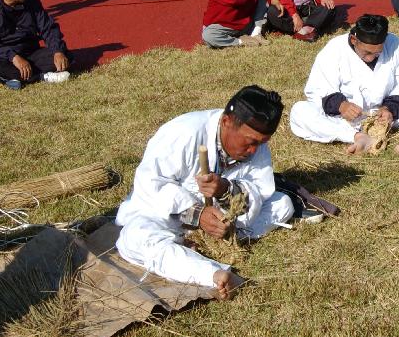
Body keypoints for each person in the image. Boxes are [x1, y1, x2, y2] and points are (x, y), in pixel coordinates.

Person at [115, 85, 294, 299]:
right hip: (168, 219)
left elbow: (258, 191)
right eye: (251, 142)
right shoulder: (182, 133)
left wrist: (225, 190)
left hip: (220, 218)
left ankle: (211, 242)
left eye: (262, 143)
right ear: (227, 122)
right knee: (135, 237)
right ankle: (213, 273)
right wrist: (198, 214)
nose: (255, 151)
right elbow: (151, 185)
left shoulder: (257, 148)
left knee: (283, 204)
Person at [289, 14, 399, 161]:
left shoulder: (396, 45)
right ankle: (359, 138)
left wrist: (389, 109)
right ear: (354, 40)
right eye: (367, 52)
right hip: (347, 120)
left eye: (377, 53)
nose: (371, 57)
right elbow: (319, 89)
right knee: (299, 111)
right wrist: (342, 105)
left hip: (390, 117)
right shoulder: (334, 50)